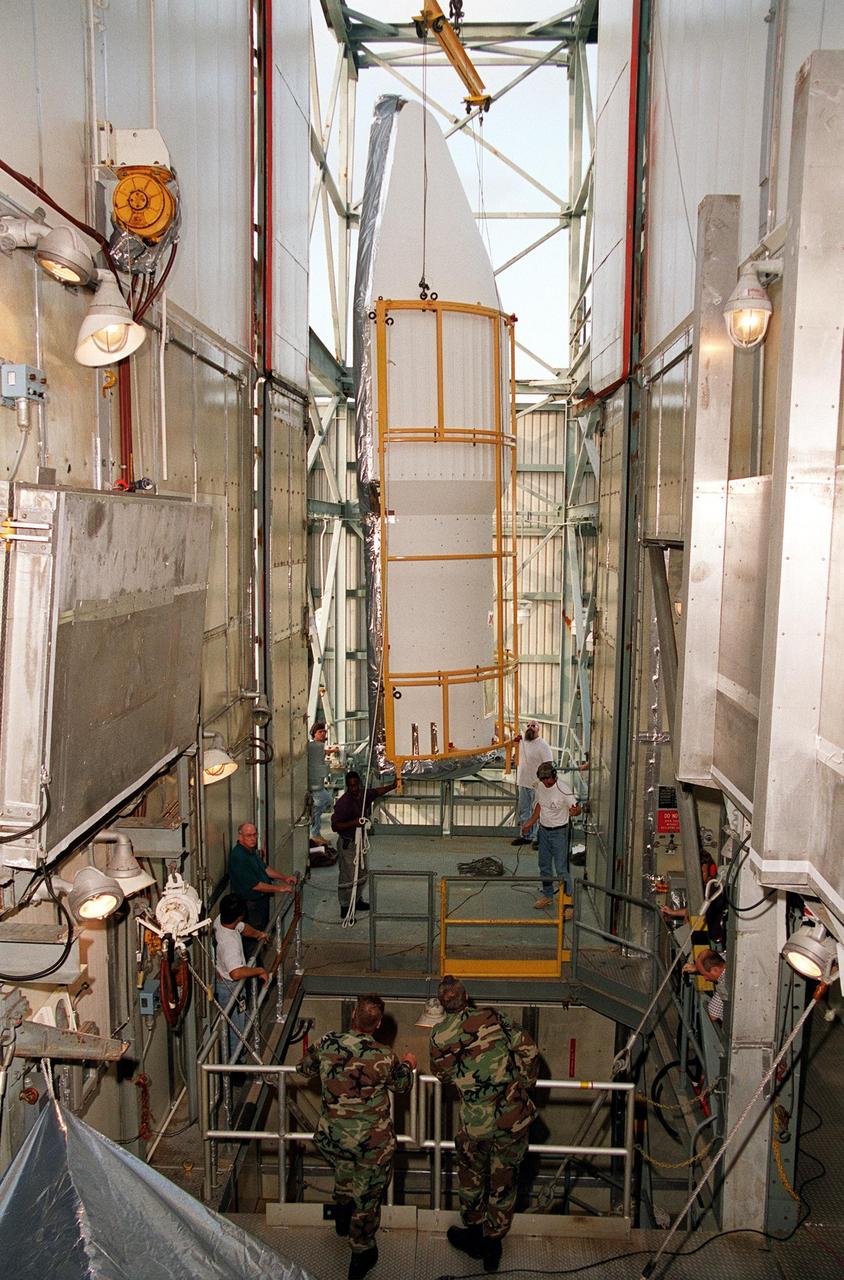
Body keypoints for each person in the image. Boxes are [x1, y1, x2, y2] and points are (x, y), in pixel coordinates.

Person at [295, 993, 416, 1280]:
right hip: (370, 1144)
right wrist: (409, 1064)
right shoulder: (384, 1056)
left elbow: (304, 1068)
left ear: (353, 1016)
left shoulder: (327, 1043)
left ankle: (340, 1216)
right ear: (377, 1026)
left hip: (334, 1136)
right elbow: (401, 1085)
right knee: (367, 1197)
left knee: (344, 1170)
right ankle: (361, 1252)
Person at [430, 976, 539, 1274]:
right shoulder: (493, 1017)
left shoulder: (439, 1037)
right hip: (512, 1118)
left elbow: (443, 1075)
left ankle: (474, 1234)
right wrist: (525, 1081)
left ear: (442, 1005)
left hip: (476, 1125)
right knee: (504, 1182)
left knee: (471, 1179)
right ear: (467, 997)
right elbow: (529, 1049)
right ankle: (494, 1245)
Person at [330, 771, 398, 919]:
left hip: (359, 841)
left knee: (361, 872)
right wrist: (353, 823)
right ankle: (345, 906)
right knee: (348, 876)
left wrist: (393, 785)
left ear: (359, 785)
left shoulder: (364, 794)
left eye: (355, 785)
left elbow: (377, 792)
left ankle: (358, 899)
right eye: (350, 786)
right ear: (347, 786)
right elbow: (335, 826)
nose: (353, 789)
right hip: (348, 843)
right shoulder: (343, 803)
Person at [213, 893, 269, 1055]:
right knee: (236, 1030)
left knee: (238, 1023)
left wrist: (259, 934)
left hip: (224, 980)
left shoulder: (221, 921)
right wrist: (259, 970)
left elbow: (243, 928)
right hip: (230, 988)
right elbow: (236, 973)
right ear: (239, 915)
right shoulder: (229, 943)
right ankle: (236, 1067)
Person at [521, 760, 580, 910]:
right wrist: (530, 823)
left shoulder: (563, 790)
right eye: (543, 779)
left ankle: (568, 903)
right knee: (544, 866)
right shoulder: (540, 786)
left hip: (559, 833)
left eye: (548, 778)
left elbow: (575, 808)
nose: (546, 782)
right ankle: (548, 895)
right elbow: (540, 805)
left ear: (554, 776)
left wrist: (575, 811)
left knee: (561, 868)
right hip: (544, 831)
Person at [228, 821, 296, 931]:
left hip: (260, 901)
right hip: (250, 904)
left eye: (255, 835)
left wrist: (284, 878)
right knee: (254, 936)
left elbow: (265, 868)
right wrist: (280, 888)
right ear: (240, 836)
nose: (253, 838)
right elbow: (255, 885)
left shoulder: (250, 850)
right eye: (249, 836)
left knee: (262, 930)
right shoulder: (239, 857)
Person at [511, 720, 552, 847]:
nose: (530, 728)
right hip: (523, 782)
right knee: (524, 811)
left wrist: (543, 782)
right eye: (528, 725)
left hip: (537, 785)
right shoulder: (522, 741)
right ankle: (526, 836)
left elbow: (548, 764)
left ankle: (539, 839)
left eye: (533, 726)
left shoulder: (543, 745)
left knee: (538, 812)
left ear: (538, 729)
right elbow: (511, 748)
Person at [308, 722, 335, 847]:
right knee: (320, 804)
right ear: (314, 734)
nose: (323, 733)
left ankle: (315, 832)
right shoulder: (315, 746)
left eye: (324, 731)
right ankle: (315, 834)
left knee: (326, 801)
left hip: (317, 784)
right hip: (315, 785)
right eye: (320, 732)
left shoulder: (317, 746)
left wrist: (328, 751)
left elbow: (319, 754)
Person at [683, 948, 728, 1022]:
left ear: (715, 970)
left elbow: (713, 1015)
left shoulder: (724, 985)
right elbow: (717, 956)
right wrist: (697, 968)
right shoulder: (726, 958)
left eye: (705, 974)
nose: (705, 978)